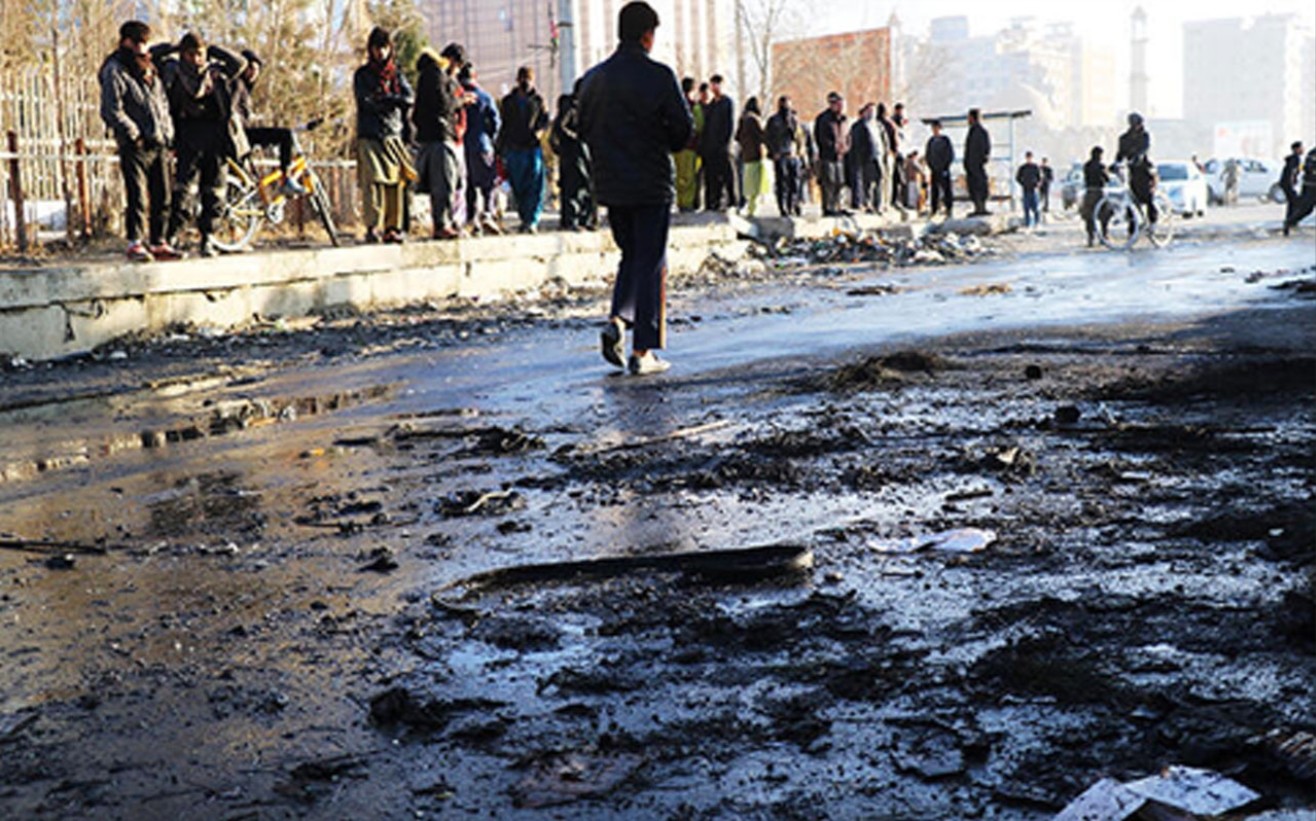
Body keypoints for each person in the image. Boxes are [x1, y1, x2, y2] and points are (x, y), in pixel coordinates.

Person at [577, 0, 692, 375]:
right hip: (651, 182)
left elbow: (577, 127)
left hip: (610, 184)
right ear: (647, 35)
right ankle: (643, 351)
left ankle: (618, 320)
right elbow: (682, 132)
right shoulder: (659, 76)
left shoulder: (593, 79)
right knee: (652, 261)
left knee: (631, 256)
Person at [158, 33, 249, 257]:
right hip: (188, 134)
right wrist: (173, 47)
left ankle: (208, 236)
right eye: (191, 54)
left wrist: (213, 49)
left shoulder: (215, 72)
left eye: (200, 54)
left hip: (216, 135)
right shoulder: (174, 71)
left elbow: (239, 64)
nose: (196, 59)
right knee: (183, 191)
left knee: (215, 190)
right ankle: (174, 235)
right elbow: (152, 56)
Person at [99, 20, 177, 262]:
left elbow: (161, 103)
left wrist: (168, 133)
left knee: (163, 194)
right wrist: (134, 134)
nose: (143, 48)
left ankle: (158, 241)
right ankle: (135, 242)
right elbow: (111, 110)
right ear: (126, 42)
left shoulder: (151, 68)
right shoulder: (115, 69)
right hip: (135, 144)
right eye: (138, 43)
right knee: (137, 196)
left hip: (160, 141)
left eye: (145, 43)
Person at [354, 27, 414, 243]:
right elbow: (365, 102)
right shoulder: (362, 75)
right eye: (376, 47)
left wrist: (387, 100)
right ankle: (372, 227)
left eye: (384, 47)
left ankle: (392, 227)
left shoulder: (396, 74)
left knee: (394, 184)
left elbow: (408, 98)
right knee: (371, 182)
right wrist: (388, 101)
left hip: (392, 134)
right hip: (369, 134)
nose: (380, 52)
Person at [232, 50, 304, 196]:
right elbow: (232, 111)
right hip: (240, 134)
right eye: (250, 68)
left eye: (257, 69)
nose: (254, 73)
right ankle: (286, 178)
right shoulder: (236, 85)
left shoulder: (244, 87)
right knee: (285, 135)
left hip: (242, 133)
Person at [413, 45, 466, 239]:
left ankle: (443, 222)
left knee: (443, 183)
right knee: (444, 183)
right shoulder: (436, 75)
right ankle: (442, 224)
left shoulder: (429, 75)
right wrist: (461, 101)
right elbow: (444, 104)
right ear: (452, 60)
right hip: (439, 136)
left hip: (431, 136)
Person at [498, 66, 549, 233]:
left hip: (532, 148)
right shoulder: (508, 102)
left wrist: (539, 133)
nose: (526, 82)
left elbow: (544, 121)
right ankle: (524, 217)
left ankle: (532, 220)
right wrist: (500, 148)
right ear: (518, 80)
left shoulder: (538, 101)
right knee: (518, 186)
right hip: (514, 148)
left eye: (529, 79)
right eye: (523, 78)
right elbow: (504, 126)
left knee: (535, 185)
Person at [459, 64, 502, 235]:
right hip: (482, 145)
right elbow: (496, 122)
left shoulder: (459, 97)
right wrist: (490, 139)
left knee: (468, 185)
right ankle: (487, 213)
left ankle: (472, 219)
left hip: (463, 146)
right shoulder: (485, 97)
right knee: (488, 184)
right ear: (475, 76)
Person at [550, 93, 594, 230]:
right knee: (573, 187)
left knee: (585, 187)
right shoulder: (571, 107)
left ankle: (584, 220)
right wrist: (576, 139)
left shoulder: (585, 107)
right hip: (573, 154)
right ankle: (571, 220)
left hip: (580, 153)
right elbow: (560, 127)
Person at [700, 74, 735, 211]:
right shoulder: (712, 105)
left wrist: (725, 143)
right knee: (711, 176)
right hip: (710, 147)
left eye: (717, 84)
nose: (714, 88)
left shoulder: (727, 103)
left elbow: (729, 125)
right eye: (712, 85)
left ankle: (732, 201)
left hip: (722, 146)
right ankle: (712, 202)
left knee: (727, 175)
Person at [764, 95, 804, 217]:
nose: (786, 107)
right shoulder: (774, 120)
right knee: (782, 183)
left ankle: (793, 205)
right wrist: (773, 152)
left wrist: (799, 152)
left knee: (795, 183)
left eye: (788, 104)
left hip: (793, 155)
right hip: (780, 155)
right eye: (784, 104)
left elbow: (800, 138)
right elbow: (767, 138)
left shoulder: (794, 120)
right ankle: (783, 207)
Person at [1116, 112, 1156, 230]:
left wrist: (1138, 157)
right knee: (1131, 197)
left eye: (1137, 124)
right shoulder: (1124, 138)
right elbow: (1120, 153)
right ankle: (1132, 225)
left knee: (1147, 197)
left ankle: (1152, 221)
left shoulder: (1145, 136)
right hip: (1132, 171)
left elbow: (1144, 149)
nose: (1136, 126)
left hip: (1144, 170)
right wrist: (1116, 163)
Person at [813, 92, 849, 217]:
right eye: (838, 104)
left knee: (840, 182)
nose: (841, 107)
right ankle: (828, 207)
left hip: (840, 156)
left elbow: (847, 136)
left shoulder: (843, 120)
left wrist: (845, 147)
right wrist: (832, 147)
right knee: (829, 181)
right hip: (828, 156)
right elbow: (820, 137)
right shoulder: (824, 119)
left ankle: (838, 205)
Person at [735, 97, 770, 216]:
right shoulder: (754, 119)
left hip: (744, 154)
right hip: (755, 155)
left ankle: (744, 205)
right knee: (755, 184)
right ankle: (752, 209)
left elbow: (737, 136)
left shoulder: (743, 118)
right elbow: (762, 136)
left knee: (745, 182)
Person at [674, 77, 702, 212]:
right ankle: (687, 203)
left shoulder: (675, 104)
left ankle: (679, 201)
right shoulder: (694, 106)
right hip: (690, 146)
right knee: (689, 176)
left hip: (676, 146)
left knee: (678, 175)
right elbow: (699, 125)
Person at [846, 103, 880, 212]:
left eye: (873, 111)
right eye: (869, 111)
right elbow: (857, 143)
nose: (871, 114)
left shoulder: (876, 126)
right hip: (861, 158)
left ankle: (873, 203)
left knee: (873, 181)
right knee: (862, 182)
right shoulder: (858, 126)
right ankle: (862, 202)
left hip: (874, 157)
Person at [1079, 145, 1109, 247]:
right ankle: (1104, 236)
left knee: (1089, 216)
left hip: (1089, 192)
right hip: (1099, 192)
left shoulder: (1086, 165)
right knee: (1104, 215)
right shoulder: (1101, 166)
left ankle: (1090, 237)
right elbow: (1107, 179)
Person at [1283, 147, 1316, 235]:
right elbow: (1308, 167)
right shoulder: (1313, 153)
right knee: (1307, 208)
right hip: (1311, 186)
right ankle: (1289, 222)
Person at [924, 119, 953, 218]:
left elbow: (949, 154)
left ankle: (949, 208)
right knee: (934, 191)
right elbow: (928, 155)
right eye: (933, 128)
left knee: (947, 189)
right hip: (934, 169)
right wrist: (931, 166)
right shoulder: (931, 141)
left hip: (944, 169)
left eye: (936, 128)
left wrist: (946, 166)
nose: (935, 130)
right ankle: (934, 209)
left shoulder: (945, 140)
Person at [964, 107, 990, 215]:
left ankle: (981, 207)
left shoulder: (981, 131)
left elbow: (986, 148)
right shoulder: (972, 131)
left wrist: (982, 159)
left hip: (977, 164)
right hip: (972, 164)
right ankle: (977, 207)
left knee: (979, 185)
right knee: (974, 186)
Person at [874, 102, 896, 212]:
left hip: (879, 154)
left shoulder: (875, 124)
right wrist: (894, 152)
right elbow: (894, 140)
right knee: (887, 179)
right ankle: (886, 202)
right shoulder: (889, 124)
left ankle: (880, 202)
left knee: (880, 180)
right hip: (888, 154)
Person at [1280, 141, 1304, 236]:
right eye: (1301, 148)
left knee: (1293, 203)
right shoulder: (1295, 159)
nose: (1303, 149)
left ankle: (1290, 222)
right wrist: (1292, 184)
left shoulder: (1294, 158)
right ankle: (1290, 222)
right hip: (1288, 184)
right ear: (1296, 149)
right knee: (1296, 202)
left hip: (1287, 183)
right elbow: (1292, 172)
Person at [1016, 150, 1041, 228]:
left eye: (1030, 157)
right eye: (1027, 157)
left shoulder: (1035, 167)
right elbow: (1017, 177)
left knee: (1035, 207)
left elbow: (1039, 177)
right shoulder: (1022, 168)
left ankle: (1037, 222)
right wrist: (1023, 183)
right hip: (1025, 189)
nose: (1029, 159)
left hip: (1033, 189)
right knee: (1026, 207)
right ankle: (1027, 223)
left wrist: (1037, 183)